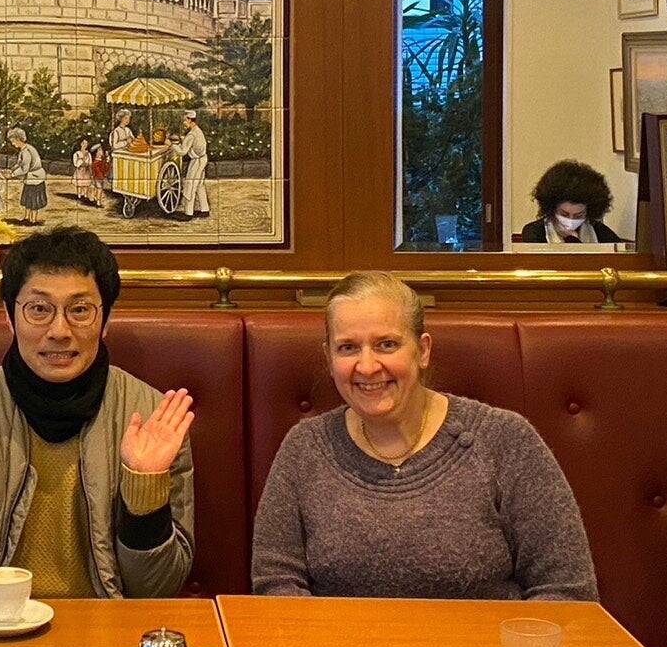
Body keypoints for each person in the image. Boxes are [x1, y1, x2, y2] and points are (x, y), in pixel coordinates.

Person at [0, 226, 195, 599]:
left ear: (106, 320)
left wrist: (146, 488)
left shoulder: (155, 420)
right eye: (39, 309)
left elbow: (157, 589)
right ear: (10, 318)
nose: (59, 330)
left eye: (80, 310)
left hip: (107, 628)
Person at [251, 272, 597, 601]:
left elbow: (567, 590)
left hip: (483, 645)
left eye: (387, 344)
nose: (367, 366)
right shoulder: (304, 447)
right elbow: (276, 583)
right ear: (329, 359)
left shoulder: (505, 439)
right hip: (337, 644)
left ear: (423, 350)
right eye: (348, 348)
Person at [519, 160, 623, 244]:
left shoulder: (601, 232)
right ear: (552, 210)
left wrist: (573, 239)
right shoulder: (535, 232)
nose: (570, 221)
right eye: (564, 214)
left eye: (579, 215)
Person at [170, 110, 210, 220]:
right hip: (203, 159)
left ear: (189, 120)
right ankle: (205, 209)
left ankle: (188, 213)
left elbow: (182, 152)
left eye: (185, 120)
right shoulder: (197, 131)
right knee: (199, 185)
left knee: (190, 185)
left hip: (197, 161)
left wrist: (172, 145)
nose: (184, 123)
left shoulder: (191, 135)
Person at [4, 127, 48, 225]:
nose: (12, 144)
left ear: (18, 139)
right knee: (28, 199)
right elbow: (19, 163)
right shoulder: (23, 150)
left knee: (34, 201)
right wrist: (11, 170)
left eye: (13, 141)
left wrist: (12, 174)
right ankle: (27, 217)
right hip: (30, 179)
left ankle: (33, 220)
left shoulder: (26, 151)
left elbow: (24, 169)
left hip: (35, 178)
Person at [72, 137, 93, 204]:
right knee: (80, 184)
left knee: (86, 184)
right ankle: (79, 196)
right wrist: (81, 161)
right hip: (80, 170)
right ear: (80, 144)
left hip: (86, 171)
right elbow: (75, 163)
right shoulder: (77, 153)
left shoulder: (88, 154)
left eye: (86, 143)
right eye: (83, 143)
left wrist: (87, 163)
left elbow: (90, 162)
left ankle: (85, 196)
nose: (85, 145)